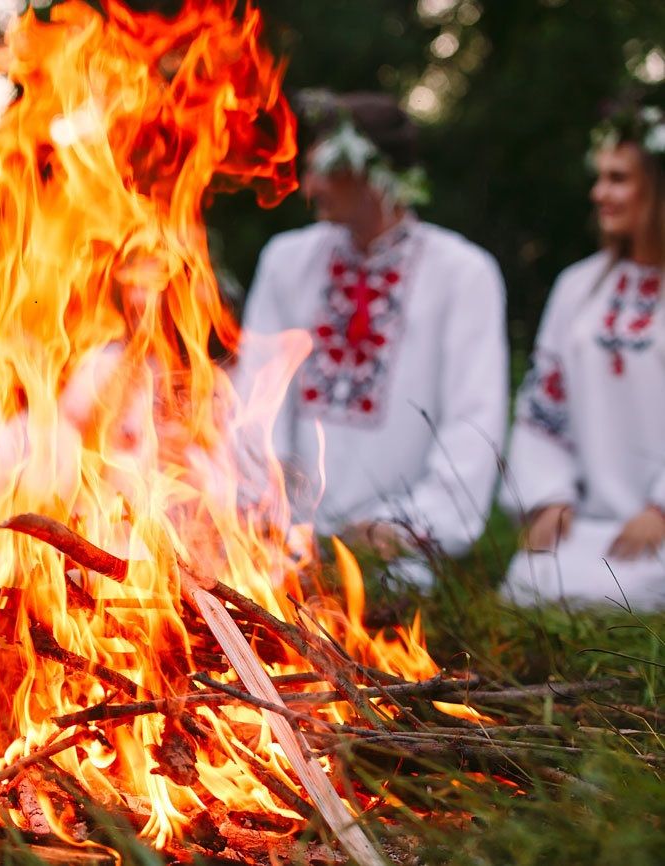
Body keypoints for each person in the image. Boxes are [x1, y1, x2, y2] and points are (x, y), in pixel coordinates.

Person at [237, 91, 508, 586]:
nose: (308, 187)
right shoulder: (288, 259)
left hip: (397, 550)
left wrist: (411, 524)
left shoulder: (463, 273)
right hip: (284, 535)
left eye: (325, 169)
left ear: (375, 172)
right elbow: (256, 396)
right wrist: (261, 505)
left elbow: (475, 419)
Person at [504, 100, 665, 609]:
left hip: (656, 526)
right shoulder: (579, 286)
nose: (599, 193)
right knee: (532, 581)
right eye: (599, 178)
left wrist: (661, 511)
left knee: (631, 589)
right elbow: (544, 405)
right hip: (592, 525)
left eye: (618, 179)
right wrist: (548, 495)